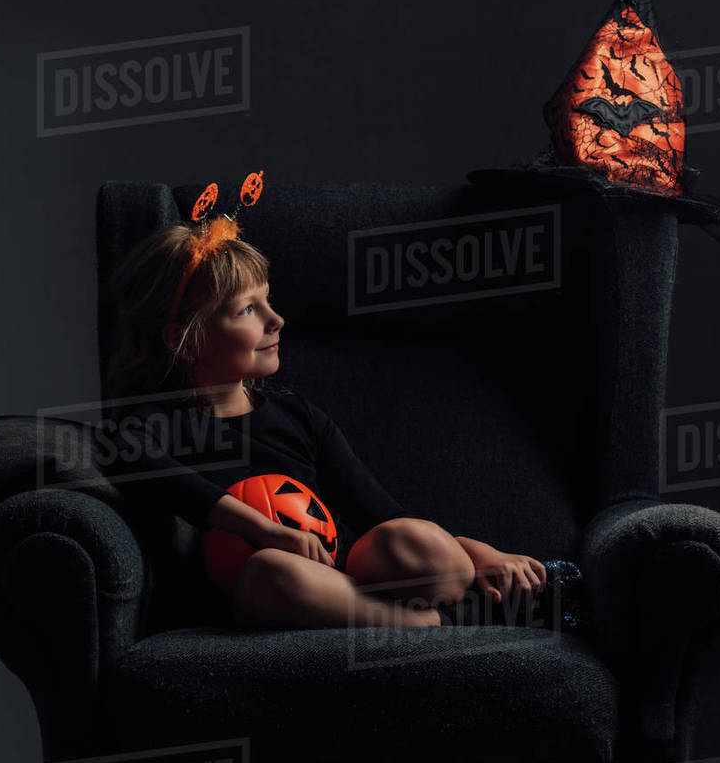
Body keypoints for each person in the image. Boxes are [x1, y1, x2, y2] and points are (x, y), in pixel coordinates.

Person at [104, 180, 546, 631]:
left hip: (344, 569)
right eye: (247, 310)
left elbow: (382, 512)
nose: (276, 320)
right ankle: (429, 625)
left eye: (268, 300)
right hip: (266, 584)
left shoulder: (297, 416)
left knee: (417, 541)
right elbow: (139, 463)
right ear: (184, 340)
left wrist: (482, 553)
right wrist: (260, 529)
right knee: (272, 571)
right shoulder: (157, 423)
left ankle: (449, 607)